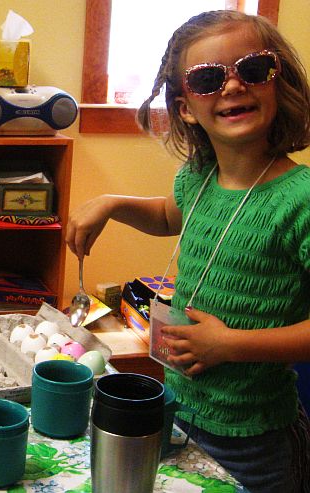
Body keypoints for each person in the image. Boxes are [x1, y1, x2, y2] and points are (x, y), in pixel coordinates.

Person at [67, 11, 310, 492]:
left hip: (256, 440)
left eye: (253, 69)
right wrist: (111, 202)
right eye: (207, 78)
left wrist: (229, 345)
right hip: (177, 411)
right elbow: (167, 216)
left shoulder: (300, 199)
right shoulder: (198, 177)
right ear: (183, 107)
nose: (234, 86)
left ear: (277, 81)